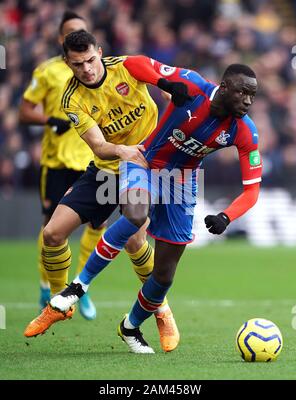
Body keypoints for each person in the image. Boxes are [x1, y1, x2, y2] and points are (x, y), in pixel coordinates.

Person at [35, 54, 262, 354]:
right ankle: (77, 287)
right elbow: (135, 64)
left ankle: (130, 326)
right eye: (242, 92)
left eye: (252, 95)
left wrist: (226, 216)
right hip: (145, 162)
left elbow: (252, 191)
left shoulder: (245, 130)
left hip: (181, 181)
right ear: (224, 86)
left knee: (165, 273)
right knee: (135, 212)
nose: (247, 101)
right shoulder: (193, 85)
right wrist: (163, 82)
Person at [23, 30, 193, 352]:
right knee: (52, 234)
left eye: (90, 60)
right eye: (78, 64)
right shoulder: (71, 99)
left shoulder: (128, 67)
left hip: (148, 165)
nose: (87, 69)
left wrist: (172, 98)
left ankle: (161, 310)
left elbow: (167, 82)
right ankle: (62, 301)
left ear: (99, 52)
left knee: (135, 240)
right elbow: (99, 146)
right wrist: (123, 150)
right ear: (67, 64)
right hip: (107, 169)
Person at [19, 11, 101, 320]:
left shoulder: (101, 70)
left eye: (82, 31)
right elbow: (24, 112)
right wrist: (48, 120)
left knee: (98, 226)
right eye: (70, 34)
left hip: (94, 160)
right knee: (51, 229)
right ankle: (47, 285)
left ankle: (82, 287)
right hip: (56, 160)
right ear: (60, 40)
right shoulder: (48, 72)